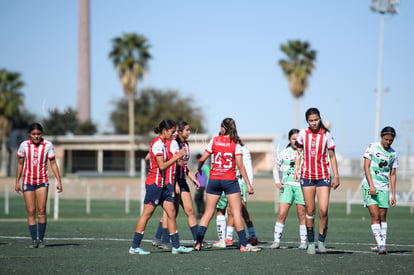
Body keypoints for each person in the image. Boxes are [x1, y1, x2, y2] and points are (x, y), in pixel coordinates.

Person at [194, 118, 261, 252]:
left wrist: (199, 168)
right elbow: (240, 166)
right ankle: (243, 244)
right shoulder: (235, 144)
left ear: (223, 128)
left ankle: (198, 243)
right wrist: (248, 184)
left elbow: (202, 159)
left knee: (208, 213)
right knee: (236, 212)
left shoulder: (214, 140)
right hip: (229, 180)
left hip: (214, 180)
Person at [129, 120, 192, 255]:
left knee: (171, 213)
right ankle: (134, 247)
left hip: (164, 185)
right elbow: (162, 166)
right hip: (155, 185)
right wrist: (177, 157)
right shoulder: (157, 144)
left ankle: (176, 246)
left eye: (175, 131)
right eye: (172, 131)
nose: (174, 134)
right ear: (164, 131)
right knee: (146, 215)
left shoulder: (164, 144)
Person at [294, 107, 340, 255]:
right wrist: (297, 169)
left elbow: (332, 156)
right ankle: (311, 242)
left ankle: (321, 241)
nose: (314, 123)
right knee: (310, 210)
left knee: (323, 210)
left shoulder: (327, 134)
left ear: (320, 118)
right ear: (307, 121)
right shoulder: (302, 134)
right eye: (311, 121)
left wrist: (336, 175)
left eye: (316, 120)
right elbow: (299, 152)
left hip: (323, 176)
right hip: (307, 176)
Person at [15, 123, 63, 248]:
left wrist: (59, 181)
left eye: (38, 134)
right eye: (33, 134)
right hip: (28, 181)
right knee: (31, 211)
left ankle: (41, 239)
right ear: (29, 134)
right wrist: (17, 182)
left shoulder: (48, 145)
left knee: (41, 210)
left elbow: (52, 163)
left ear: (42, 134)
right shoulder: (24, 145)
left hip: (42, 181)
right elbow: (20, 163)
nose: (36, 136)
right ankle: (33, 240)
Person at [213, 144, 258, 248]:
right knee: (229, 209)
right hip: (227, 181)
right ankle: (228, 237)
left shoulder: (242, 148)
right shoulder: (220, 147)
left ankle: (253, 236)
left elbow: (246, 166)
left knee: (242, 209)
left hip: (239, 182)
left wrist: (249, 184)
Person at [362, 126, 398, 255]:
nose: (388, 142)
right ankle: (381, 246)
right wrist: (371, 185)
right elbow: (366, 166)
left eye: (391, 140)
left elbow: (393, 174)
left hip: (384, 188)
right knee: (375, 215)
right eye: (386, 139)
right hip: (369, 186)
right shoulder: (372, 147)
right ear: (382, 137)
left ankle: (382, 244)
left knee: (382, 216)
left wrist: (393, 194)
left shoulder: (393, 154)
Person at [271, 128, 307, 249]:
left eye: (298, 139)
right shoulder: (284, 153)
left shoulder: (304, 153)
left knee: (302, 214)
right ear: (289, 139)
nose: (295, 141)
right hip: (287, 187)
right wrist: (277, 181)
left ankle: (303, 241)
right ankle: (276, 241)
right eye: (293, 139)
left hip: (301, 187)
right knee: (282, 213)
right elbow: (275, 167)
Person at [194, 153, 209, 219]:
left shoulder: (205, 167)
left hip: (202, 185)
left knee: (197, 198)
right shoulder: (197, 167)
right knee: (199, 198)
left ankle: (201, 212)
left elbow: (208, 176)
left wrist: (207, 185)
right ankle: (201, 212)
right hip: (198, 185)